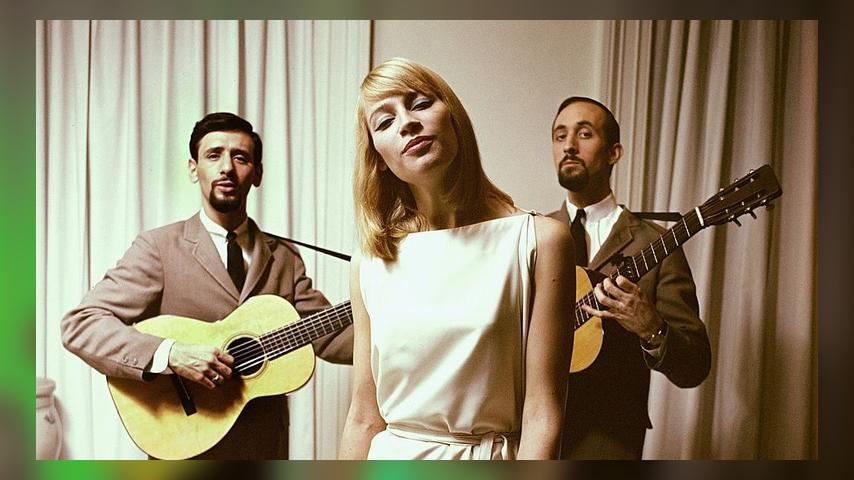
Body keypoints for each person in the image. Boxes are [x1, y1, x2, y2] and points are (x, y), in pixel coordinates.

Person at [61, 112, 353, 459]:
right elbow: (82, 324)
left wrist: (395, 320)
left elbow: (329, 335)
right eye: (214, 155)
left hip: (265, 446)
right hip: (185, 445)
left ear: (257, 173)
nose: (226, 167)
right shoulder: (159, 248)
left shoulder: (284, 258)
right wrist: (171, 354)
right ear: (193, 168)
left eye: (240, 157)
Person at [338, 58, 575, 460]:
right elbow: (363, 417)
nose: (407, 123)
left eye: (420, 103)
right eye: (385, 122)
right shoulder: (370, 260)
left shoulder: (541, 241)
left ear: (453, 116)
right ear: (378, 158)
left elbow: (543, 415)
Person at [547, 96, 711, 459]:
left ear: (614, 153)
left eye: (584, 134)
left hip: (608, 435)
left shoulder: (656, 243)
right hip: (526, 424)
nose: (569, 145)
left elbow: (694, 366)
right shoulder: (533, 235)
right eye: (560, 136)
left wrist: (651, 326)